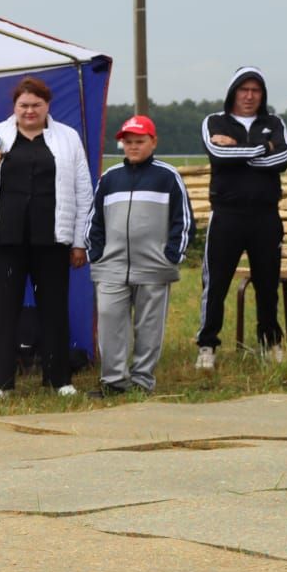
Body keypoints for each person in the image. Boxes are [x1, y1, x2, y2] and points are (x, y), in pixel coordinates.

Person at [0, 76, 93, 399]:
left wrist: (79, 242)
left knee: (54, 309)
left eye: (36, 105)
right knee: (4, 310)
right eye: (24, 105)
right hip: (5, 239)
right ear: (14, 107)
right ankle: (0, 383)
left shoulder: (68, 138)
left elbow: (83, 192)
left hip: (52, 239)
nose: (29, 111)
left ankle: (59, 379)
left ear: (48, 106)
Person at [85, 116, 192, 396]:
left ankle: (142, 381)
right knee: (109, 320)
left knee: (149, 326)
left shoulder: (168, 177)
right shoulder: (110, 179)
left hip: (154, 267)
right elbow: (94, 220)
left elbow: (182, 220)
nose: (133, 147)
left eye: (140, 141)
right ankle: (114, 382)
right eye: (128, 142)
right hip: (111, 266)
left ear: (153, 142)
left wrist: (171, 255)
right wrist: (96, 253)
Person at [194, 67, 287, 369]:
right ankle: (207, 346)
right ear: (233, 92)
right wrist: (263, 149)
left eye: (255, 91)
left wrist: (239, 148)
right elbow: (218, 155)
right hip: (227, 215)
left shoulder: (274, 122)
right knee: (216, 284)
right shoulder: (214, 121)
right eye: (243, 90)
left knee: (267, 283)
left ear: (262, 94)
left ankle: (269, 342)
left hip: (265, 215)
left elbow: (283, 160)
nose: (249, 96)